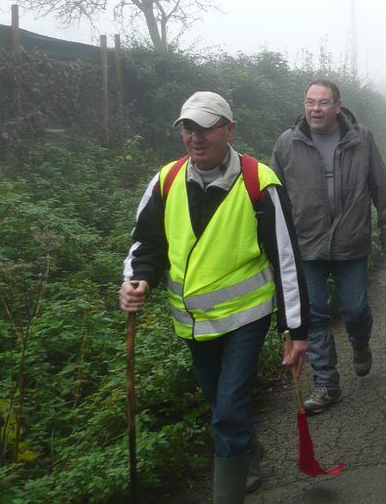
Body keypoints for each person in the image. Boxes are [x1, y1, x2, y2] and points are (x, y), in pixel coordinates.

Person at [118, 91, 309, 504]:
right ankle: (247, 450)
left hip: (246, 318)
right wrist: (137, 279)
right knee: (217, 401)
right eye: (188, 128)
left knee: (226, 409)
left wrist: (295, 328)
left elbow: (286, 260)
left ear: (230, 130)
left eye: (206, 128)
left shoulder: (260, 183)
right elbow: (146, 243)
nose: (195, 137)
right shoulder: (166, 180)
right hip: (191, 323)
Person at [271, 79, 386, 413]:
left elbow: (381, 187)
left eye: (323, 102)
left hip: (350, 240)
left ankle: (360, 342)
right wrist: (275, 244)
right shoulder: (287, 143)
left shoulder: (361, 138)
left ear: (337, 106)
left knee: (355, 308)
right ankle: (326, 383)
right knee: (314, 316)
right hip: (306, 243)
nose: (315, 109)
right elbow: (275, 199)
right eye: (310, 102)